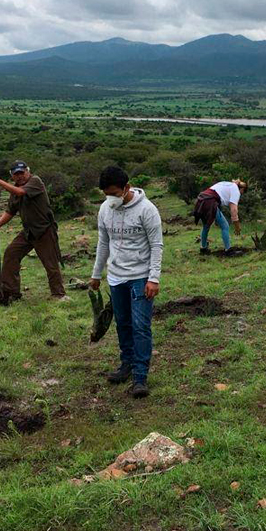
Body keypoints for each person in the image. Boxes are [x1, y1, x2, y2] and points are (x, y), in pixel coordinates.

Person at [89, 166, 163, 398]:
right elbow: (103, 243)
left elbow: (156, 245)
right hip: (116, 277)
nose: (110, 198)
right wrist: (96, 274)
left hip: (141, 277)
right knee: (122, 324)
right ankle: (126, 365)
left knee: (140, 326)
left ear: (126, 188)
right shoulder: (105, 209)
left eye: (114, 193)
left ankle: (140, 377)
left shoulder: (147, 210)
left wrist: (153, 278)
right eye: (106, 194)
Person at [0, 161, 67, 301]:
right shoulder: (14, 190)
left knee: (50, 263)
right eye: (16, 174)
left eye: (21, 173)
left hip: (44, 230)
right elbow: (10, 211)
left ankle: (58, 294)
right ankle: (10, 292)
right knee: (11, 253)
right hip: (28, 231)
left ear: (27, 172)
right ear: (12, 177)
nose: (19, 176)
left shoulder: (35, 181)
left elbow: (21, 192)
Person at [194, 179, 247, 255]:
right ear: (242, 189)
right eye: (243, 192)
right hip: (210, 201)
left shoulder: (227, 184)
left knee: (206, 226)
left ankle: (203, 249)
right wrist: (237, 226)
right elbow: (234, 209)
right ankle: (228, 250)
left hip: (201, 199)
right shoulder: (235, 189)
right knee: (225, 226)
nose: (241, 194)